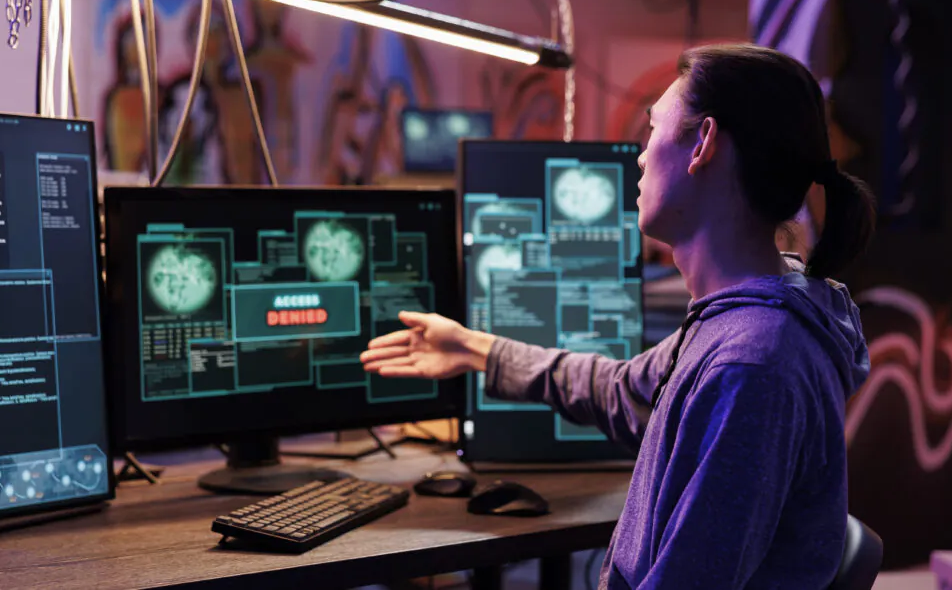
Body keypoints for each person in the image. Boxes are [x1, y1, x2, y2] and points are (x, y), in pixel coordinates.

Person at [359, 44, 876, 589]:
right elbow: (622, 391)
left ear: (702, 144)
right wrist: (472, 349)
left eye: (652, 130)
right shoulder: (736, 327)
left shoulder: (753, 364)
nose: (641, 156)